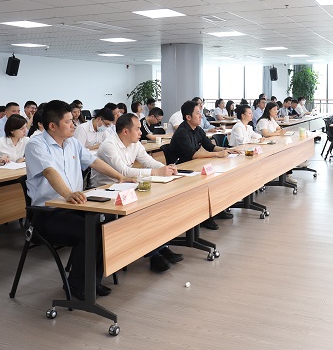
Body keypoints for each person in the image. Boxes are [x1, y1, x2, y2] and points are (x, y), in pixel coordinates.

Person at [25, 100, 134, 300]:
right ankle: (76, 286)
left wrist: (120, 177)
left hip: (75, 206)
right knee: (91, 230)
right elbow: (49, 172)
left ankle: (93, 280)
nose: (74, 125)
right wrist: (67, 194)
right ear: (52, 126)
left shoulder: (72, 142)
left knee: (106, 224)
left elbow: (94, 161)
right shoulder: (36, 144)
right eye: (68, 122)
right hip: (48, 213)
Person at [93, 113, 181, 271]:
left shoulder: (135, 143)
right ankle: (155, 255)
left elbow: (148, 161)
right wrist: (155, 172)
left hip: (127, 187)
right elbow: (124, 171)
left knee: (155, 205)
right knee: (142, 211)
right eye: (138, 129)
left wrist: (165, 168)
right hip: (107, 191)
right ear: (125, 131)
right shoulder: (109, 145)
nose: (141, 132)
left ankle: (161, 247)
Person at [166, 101, 239, 230]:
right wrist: (216, 155)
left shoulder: (198, 129)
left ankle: (217, 210)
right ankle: (205, 217)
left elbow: (209, 146)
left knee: (217, 177)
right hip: (182, 169)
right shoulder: (182, 132)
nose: (201, 116)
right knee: (207, 181)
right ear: (188, 117)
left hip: (194, 165)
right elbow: (192, 154)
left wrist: (226, 150)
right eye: (198, 113)